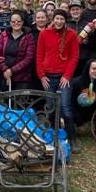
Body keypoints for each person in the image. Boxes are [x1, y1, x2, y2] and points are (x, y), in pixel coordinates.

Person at [36, 9, 80, 145]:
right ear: (53, 19)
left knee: (66, 107)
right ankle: (52, 137)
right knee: (49, 107)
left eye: (62, 19)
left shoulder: (71, 35)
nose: (59, 22)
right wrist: (42, 75)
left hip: (63, 77)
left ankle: (71, 138)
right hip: (48, 76)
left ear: (65, 21)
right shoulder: (44, 34)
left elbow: (74, 57)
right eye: (57, 19)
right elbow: (39, 56)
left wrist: (67, 76)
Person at [0, 12, 36, 91]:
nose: (16, 23)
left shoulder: (29, 37)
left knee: (19, 102)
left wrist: (12, 70)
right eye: (13, 21)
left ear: (22, 22)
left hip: (22, 78)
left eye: (19, 21)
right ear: (10, 23)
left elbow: (29, 58)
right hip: (5, 75)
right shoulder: (3, 35)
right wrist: (5, 70)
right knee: (4, 102)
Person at [72, 59, 96, 131]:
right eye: (94, 68)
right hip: (76, 112)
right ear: (88, 69)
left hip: (89, 111)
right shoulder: (76, 82)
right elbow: (69, 103)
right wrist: (79, 122)